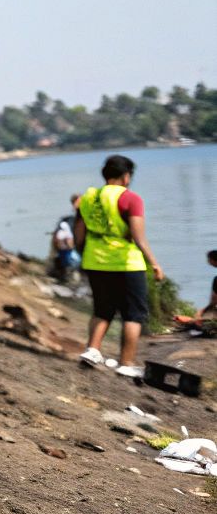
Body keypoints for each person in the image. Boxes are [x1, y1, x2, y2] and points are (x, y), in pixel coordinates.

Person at [74, 155, 165, 378]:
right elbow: (138, 237)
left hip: (94, 261)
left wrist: (85, 255)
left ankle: (92, 350)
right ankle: (126, 362)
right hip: (126, 263)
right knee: (133, 314)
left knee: (102, 309)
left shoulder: (87, 198)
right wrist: (154, 264)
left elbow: (78, 235)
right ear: (126, 176)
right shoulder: (131, 199)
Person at [50, 195, 83, 282]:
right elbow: (57, 241)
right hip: (73, 258)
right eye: (78, 203)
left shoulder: (89, 220)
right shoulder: (67, 222)